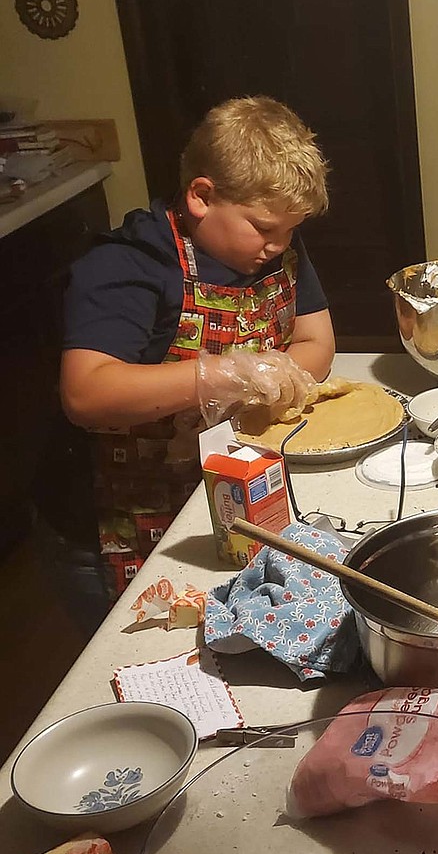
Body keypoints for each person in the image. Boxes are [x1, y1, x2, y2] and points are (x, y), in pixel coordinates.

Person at [61, 95, 335, 597]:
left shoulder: (273, 252)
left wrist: (275, 373)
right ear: (201, 197)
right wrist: (221, 376)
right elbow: (86, 392)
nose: (279, 245)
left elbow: (315, 340)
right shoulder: (131, 264)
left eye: (291, 230)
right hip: (140, 513)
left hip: (244, 488)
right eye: (266, 228)